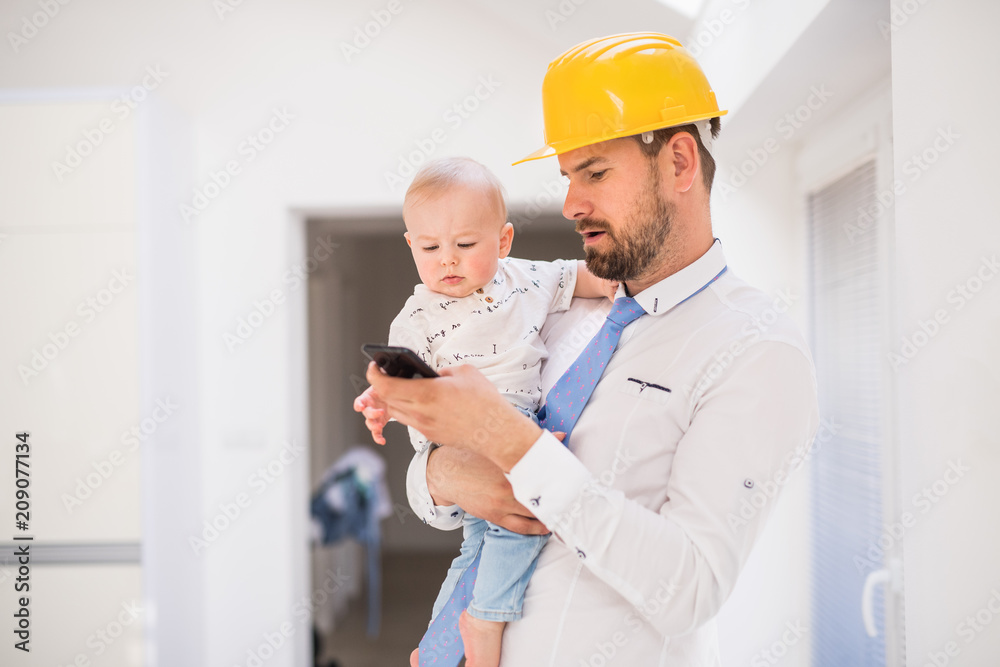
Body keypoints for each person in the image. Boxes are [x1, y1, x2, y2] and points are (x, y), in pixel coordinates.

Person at [370, 33, 820, 667]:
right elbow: (438, 493)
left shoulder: (755, 349)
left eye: (596, 173)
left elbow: (690, 588)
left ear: (680, 163)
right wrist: (442, 473)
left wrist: (512, 444)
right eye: (566, 176)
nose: (570, 203)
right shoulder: (545, 309)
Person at [354, 156, 616, 666]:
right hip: (456, 439)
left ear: (503, 241)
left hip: (516, 430)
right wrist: (378, 401)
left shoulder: (527, 281)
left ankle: (437, 643)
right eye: (430, 248)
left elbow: (579, 278)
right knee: (515, 528)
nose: (447, 260)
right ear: (412, 246)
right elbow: (401, 386)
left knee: (481, 545)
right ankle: (487, 620)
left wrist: (617, 285)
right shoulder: (414, 319)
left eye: (466, 245)